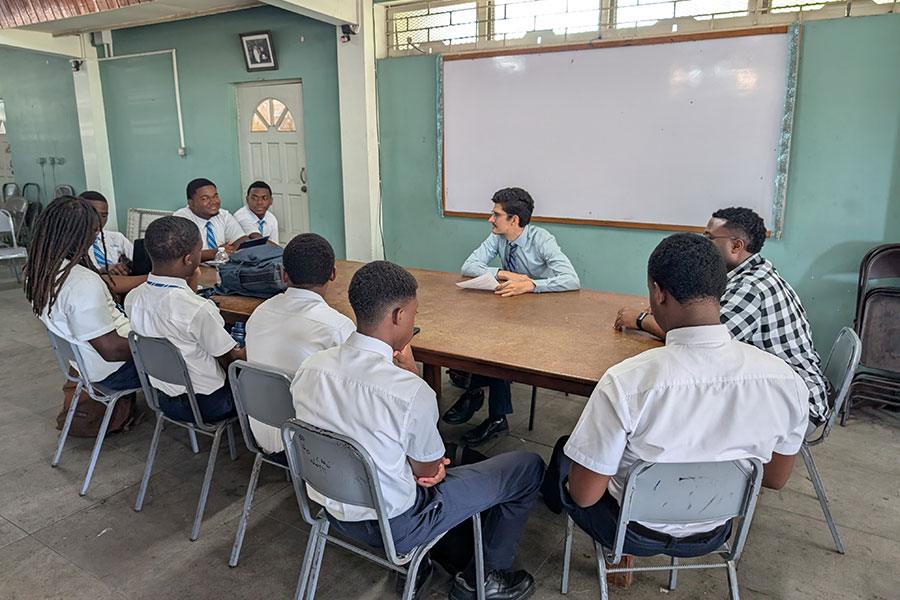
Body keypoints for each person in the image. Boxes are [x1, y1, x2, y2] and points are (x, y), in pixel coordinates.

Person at [544, 233, 809, 577]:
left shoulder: (626, 382)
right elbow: (774, 479)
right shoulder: (785, 381)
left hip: (631, 531)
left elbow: (584, 497)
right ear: (722, 289)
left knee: (566, 456)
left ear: (658, 292)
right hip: (715, 532)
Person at [291, 260, 544, 600]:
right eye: (413, 313)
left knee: (437, 460)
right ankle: (482, 580)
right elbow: (428, 472)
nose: (413, 320)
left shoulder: (310, 368)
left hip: (330, 510)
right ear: (398, 316)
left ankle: (442, 556)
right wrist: (429, 462)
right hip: (398, 525)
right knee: (527, 467)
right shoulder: (410, 393)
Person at [615, 207, 828, 425]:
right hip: (768, 388)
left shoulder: (750, 288)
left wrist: (641, 321)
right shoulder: (752, 272)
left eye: (709, 237)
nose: (703, 244)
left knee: (673, 407)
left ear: (737, 246)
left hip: (797, 403)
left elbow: (701, 338)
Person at [448, 187, 581, 446]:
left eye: (495, 214)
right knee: (477, 329)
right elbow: (468, 266)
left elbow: (571, 279)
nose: (490, 219)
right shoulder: (498, 237)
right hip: (507, 312)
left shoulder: (541, 239)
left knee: (499, 347)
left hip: (538, 319)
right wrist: (503, 274)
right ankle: (475, 392)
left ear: (514, 220)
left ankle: (493, 413)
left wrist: (532, 285)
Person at [124, 216, 244, 423]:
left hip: (162, 397)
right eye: (200, 251)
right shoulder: (197, 310)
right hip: (209, 404)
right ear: (189, 259)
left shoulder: (133, 297)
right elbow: (229, 360)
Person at [244, 233, 354, 454]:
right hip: (307, 449)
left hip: (259, 429)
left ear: (284, 275)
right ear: (333, 274)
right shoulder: (337, 327)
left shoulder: (259, 312)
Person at [24, 196, 141, 392]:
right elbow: (111, 350)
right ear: (77, 235)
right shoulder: (82, 282)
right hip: (114, 370)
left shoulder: (38, 271)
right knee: (197, 357)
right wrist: (162, 351)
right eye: (94, 231)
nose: (97, 236)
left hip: (85, 363)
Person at [79, 190, 146, 296]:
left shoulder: (116, 238)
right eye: (94, 214)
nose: (99, 220)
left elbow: (138, 261)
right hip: (93, 291)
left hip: (120, 287)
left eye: (104, 216)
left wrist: (125, 268)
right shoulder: (74, 244)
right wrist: (103, 270)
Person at [173, 178, 250, 263]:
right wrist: (215, 253)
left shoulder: (224, 215)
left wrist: (229, 251)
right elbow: (183, 255)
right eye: (205, 198)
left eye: (215, 196)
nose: (213, 202)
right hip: (194, 270)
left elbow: (243, 241)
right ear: (191, 203)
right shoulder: (181, 219)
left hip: (223, 268)